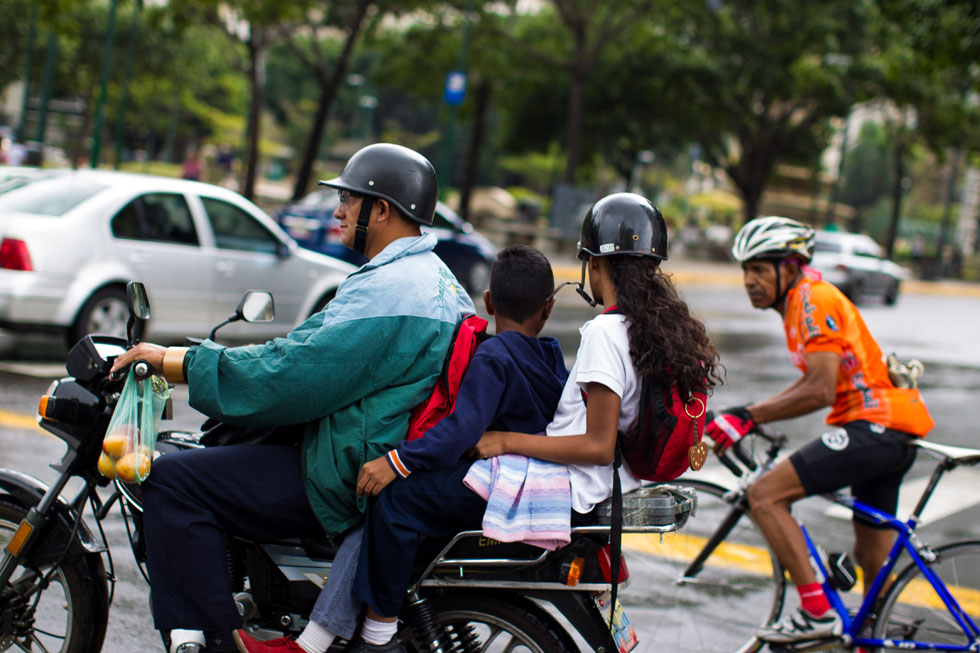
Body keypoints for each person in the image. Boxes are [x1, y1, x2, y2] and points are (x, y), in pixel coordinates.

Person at [109, 143, 475, 653]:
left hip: (344, 470)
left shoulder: (395, 289)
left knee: (173, 481)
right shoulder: (436, 281)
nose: (338, 211)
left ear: (383, 210)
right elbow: (306, 352)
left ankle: (215, 642)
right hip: (374, 451)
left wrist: (180, 362)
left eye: (349, 199)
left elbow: (294, 375)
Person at [347, 193, 720, 651]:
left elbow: (596, 444)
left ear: (596, 265)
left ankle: (376, 635)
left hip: (568, 486)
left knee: (401, 498)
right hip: (596, 484)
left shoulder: (606, 331)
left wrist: (504, 440)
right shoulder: (642, 330)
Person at [233, 244, 568, 653]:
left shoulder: (494, 354)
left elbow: (462, 430)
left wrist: (398, 461)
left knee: (395, 501)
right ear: (548, 308)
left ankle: (375, 635)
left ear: (489, 302)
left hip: (494, 480)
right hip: (524, 479)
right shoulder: (551, 355)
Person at [706, 216, 935, 644]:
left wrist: (750, 417)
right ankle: (875, 633)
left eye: (758, 269)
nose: (748, 280)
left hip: (875, 426)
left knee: (765, 495)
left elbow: (820, 388)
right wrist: (752, 412)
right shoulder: (801, 305)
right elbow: (812, 381)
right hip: (890, 431)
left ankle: (815, 611)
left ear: (789, 267)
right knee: (871, 556)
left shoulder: (812, 301)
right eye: (744, 270)